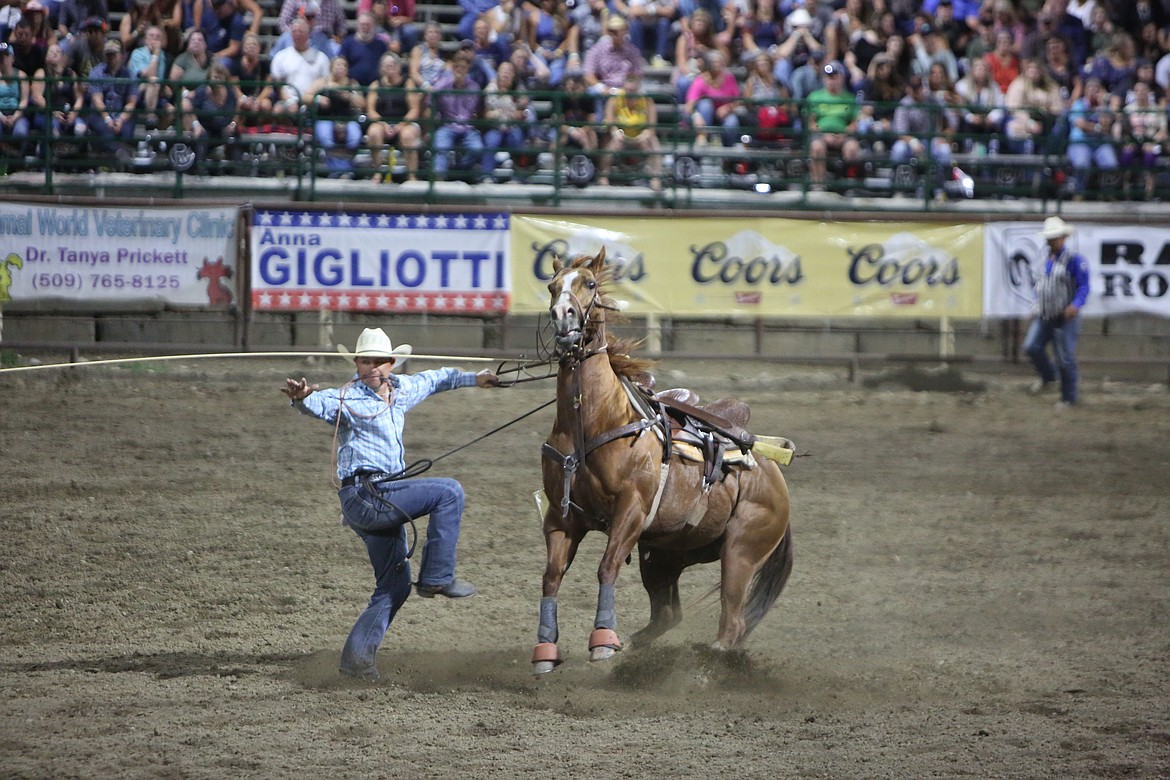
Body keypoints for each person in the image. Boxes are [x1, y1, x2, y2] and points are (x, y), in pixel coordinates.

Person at [281, 327, 499, 680]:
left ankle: (356, 661)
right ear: (356, 363)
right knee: (449, 492)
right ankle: (437, 578)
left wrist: (476, 378)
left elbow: (438, 378)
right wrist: (303, 396)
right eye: (365, 360)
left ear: (391, 363)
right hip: (367, 497)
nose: (372, 367)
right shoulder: (347, 398)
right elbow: (320, 404)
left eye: (378, 361)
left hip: (382, 499)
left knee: (394, 586)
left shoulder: (403, 389)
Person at [1024, 216, 1090, 408]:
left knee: (1065, 357)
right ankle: (1049, 376)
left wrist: (1075, 305)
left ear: (1062, 238)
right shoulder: (1046, 259)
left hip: (1065, 316)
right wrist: (1037, 303)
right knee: (1032, 346)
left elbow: (1083, 287)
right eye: (1049, 238)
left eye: (1054, 238)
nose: (1051, 241)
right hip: (1046, 314)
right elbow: (1042, 285)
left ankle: (1069, 397)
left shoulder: (1074, 260)